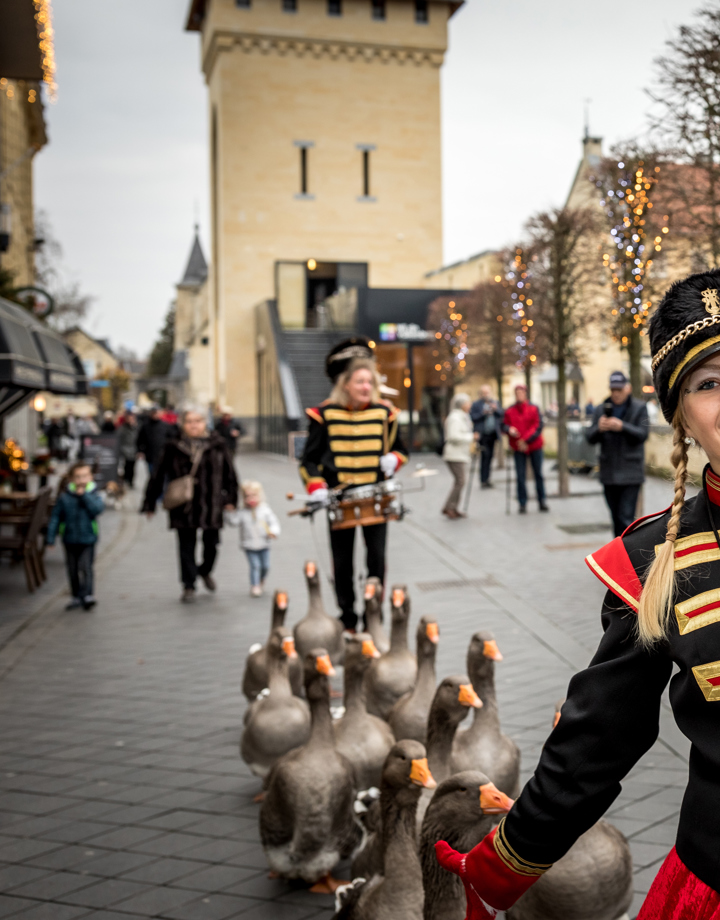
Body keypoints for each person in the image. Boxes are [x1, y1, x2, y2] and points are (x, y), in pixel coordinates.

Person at [433, 269, 720, 919]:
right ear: (680, 416)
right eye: (709, 383)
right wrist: (497, 869)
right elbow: (598, 739)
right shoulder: (651, 564)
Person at [299, 338, 408, 630]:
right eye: (360, 382)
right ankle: (347, 616)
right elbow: (308, 461)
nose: (365, 387)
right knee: (342, 562)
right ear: (345, 383)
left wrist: (394, 460)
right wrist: (317, 488)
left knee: (377, 559)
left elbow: (401, 449)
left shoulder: (386, 414)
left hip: (376, 498)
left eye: (369, 382)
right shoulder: (323, 415)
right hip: (340, 500)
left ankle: (374, 613)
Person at [142, 407, 238, 603]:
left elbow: (230, 474)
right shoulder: (173, 445)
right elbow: (158, 475)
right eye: (189, 421)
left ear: (205, 423)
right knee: (186, 546)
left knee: (212, 544)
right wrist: (149, 502)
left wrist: (231, 499)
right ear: (182, 424)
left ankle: (204, 570)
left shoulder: (218, 444)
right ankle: (188, 584)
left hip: (211, 503)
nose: (194, 425)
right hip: (183, 504)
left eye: (198, 421)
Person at [586, 371, 649, 537]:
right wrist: (599, 428)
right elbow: (590, 437)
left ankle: (626, 556)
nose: (616, 393)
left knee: (626, 518)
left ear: (627, 388)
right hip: (609, 472)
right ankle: (618, 554)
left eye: (619, 389)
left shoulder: (639, 408)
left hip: (630, 473)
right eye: (613, 389)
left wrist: (622, 426)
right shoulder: (601, 409)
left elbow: (643, 434)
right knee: (615, 518)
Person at [46, 461, 104, 611]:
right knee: (72, 569)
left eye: (85, 476)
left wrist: (84, 496)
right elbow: (55, 517)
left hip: (88, 538)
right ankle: (76, 596)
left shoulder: (94, 494)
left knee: (86, 567)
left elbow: (97, 510)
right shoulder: (65, 497)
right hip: (70, 539)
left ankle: (88, 595)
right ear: (71, 479)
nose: (81, 480)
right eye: (78, 477)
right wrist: (50, 537)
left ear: (91, 477)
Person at [503, 384, 548, 513]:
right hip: (518, 447)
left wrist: (526, 440)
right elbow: (504, 425)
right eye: (517, 393)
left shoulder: (534, 408)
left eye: (521, 392)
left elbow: (537, 426)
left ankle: (542, 500)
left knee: (538, 473)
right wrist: (509, 430)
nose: (519, 395)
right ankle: (522, 503)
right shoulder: (510, 410)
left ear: (525, 393)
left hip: (534, 445)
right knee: (520, 475)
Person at [238, 481, 280, 598]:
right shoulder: (242, 512)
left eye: (253, 495)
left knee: (265, 566)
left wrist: (273, 532)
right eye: (247, 496)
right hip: (249, 545)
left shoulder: (265, 510)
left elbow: (274, 522)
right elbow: (233, 521)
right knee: (255, 566)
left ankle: (261, 579)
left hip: (264, 544)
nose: (251, 498)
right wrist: (228, 512)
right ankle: (255, 585)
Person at [442, 393, 474, 518]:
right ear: (462, 404)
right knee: (460, 481)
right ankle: (449, 507)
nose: (470, 405)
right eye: (468, 402)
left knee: (459, 481)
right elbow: (453, 436)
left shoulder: (463, 417)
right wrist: (471, 437)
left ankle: (453, 507)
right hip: (454, 455)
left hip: (460, 454)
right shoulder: (455, 418)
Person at [470, 385, 502, 489]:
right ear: (481, 394)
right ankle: (483, 480)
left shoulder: (495, 402)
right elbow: (473, 417)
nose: (486, 395)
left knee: (490, 456)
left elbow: (501, 414)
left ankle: (487, 479)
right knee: (485, 456)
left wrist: (495, 409)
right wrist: (483, 413)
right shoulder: (476, 404)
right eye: (484, 393)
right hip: (482, 435)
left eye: (487, 392)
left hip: (493, 434)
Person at [137, 407, 170, 476]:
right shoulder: (145, 426)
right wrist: (140, 450)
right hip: (150, 455)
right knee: (152, 474)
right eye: (153, 413)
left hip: (163, 455)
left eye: (156, 413)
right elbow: (140, 439)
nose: (155, 415)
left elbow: (170, 439)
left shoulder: (165, 426)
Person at [117, 412, 139, 489]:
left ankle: (130, 481)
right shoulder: (122, 428)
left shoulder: (137, 428)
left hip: (133, 450)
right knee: (125, 467)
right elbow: (119, 439)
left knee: (132, 467)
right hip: (124, 450)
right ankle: (125, 480)